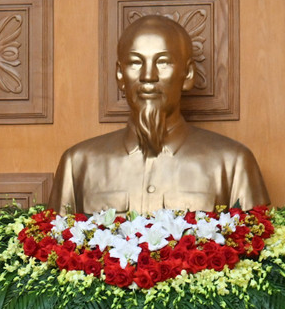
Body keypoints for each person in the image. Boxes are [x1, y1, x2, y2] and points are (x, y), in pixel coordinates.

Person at [49, 14, 269, 215]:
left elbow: (257, 247)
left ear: (188, 74)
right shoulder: (77, 163)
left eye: (163, 62)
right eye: (135, 62)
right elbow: (52, 248)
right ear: (119, 74)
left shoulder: (233, 163)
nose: (148, 76)